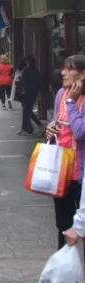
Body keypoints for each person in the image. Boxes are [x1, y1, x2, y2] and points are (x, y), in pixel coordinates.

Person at [45, 56, 85, 249]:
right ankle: (66, 269)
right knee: (63, 224)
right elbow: (56, 119)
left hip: (81, 174)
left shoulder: (74, 99)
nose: (63, 73)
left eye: (69, 69)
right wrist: (51, 127)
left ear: (83, 74)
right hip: (62, 170)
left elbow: (80, 132)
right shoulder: (61, 93)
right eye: (63, 69)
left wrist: (71, 102)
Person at [18, 55, 43, 136]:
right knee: (27, 110)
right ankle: (28, 128)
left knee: (26, 109)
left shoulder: (25, 71)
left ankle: (29, 128)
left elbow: (23, 82)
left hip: (27, 93)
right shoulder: (36, 71)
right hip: (34, 92)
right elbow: (39, 82)